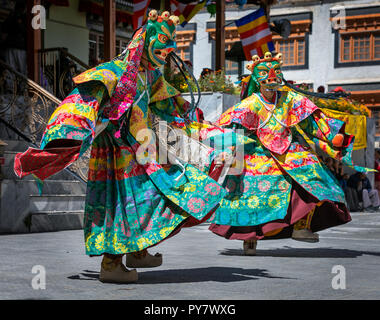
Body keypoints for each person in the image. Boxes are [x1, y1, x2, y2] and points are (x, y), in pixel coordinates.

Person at [14, 11, 226, 283]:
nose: (168, 50)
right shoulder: (113, 73)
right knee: (122, 205)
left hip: (143, 148)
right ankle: (111, 264)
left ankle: (138, 251)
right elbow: (81, 103)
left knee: (154, 197)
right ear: (145, 41)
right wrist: (73, 134)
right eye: (162, 42)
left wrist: (196, 129)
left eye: (171, 44)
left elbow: (168, 105)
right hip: (115, 154)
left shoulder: (150, 76)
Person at [203, 51, 368, 255]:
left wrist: (329, 133)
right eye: (264, 73)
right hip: (258, 151)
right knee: (251, 191)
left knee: (313, 172)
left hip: (289, 149)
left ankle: (301, 226)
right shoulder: (250, 104)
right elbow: (227, 125)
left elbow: (310, 120)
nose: (271, 76)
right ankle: (250, 238)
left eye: (276, 71)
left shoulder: (290, 99)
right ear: (256, 78)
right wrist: (214, 137)